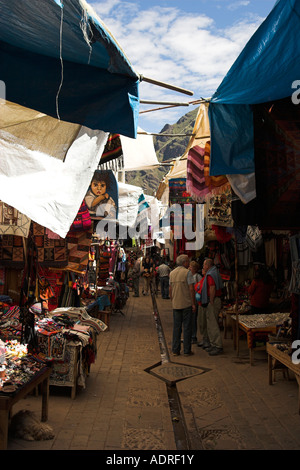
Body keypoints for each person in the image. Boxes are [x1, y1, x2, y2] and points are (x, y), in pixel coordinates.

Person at [195, 258, 223, 356]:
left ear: (208, 265)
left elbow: (212, 287)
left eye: (204, 264)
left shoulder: (211, 274)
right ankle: (213, 343)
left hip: (214, 300)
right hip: (214, 299)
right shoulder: (213, 272)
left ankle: (217, 345)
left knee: (212, 324)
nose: (203, 266)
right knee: (210, 323)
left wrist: (211, 300)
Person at [169, 254, 196, 356]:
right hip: (186, 304)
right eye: (187, 261)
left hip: (176, 305)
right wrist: (193, 303)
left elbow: (170, 289)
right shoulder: (187, 273)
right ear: (184, 262)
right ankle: (186, 350)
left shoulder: (172, 273)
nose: (188, 263)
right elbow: (191, 288)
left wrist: (173, 300)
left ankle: (175, 350)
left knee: (176, 328)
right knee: (187, 328)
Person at [189, 261, 202, 344]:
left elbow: (201, 287)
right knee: (190, 319)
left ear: (195, 269)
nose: (189, 268)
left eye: (191, 267)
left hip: (196, 300)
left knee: (193, 319)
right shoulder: (188, 275)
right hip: (189, 299)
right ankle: (190, 336)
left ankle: (193, 337)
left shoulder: (198, 277)